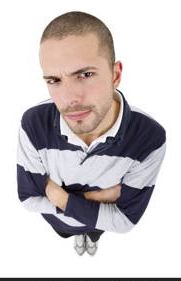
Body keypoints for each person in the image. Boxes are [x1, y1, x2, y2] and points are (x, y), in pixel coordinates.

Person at [17, 11, 166, 256]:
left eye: (85, 75)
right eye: (54, 80)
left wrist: (60, 197)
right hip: (61, 222)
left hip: (94, 223)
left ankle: (90, 238)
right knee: (68, 230)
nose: (68, 99)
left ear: (115, 75)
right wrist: (102, 197)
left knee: (94, 230)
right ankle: (77, 237)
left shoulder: (150, 138)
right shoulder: (33, 123)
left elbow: (125, 221)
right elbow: (28, 199)